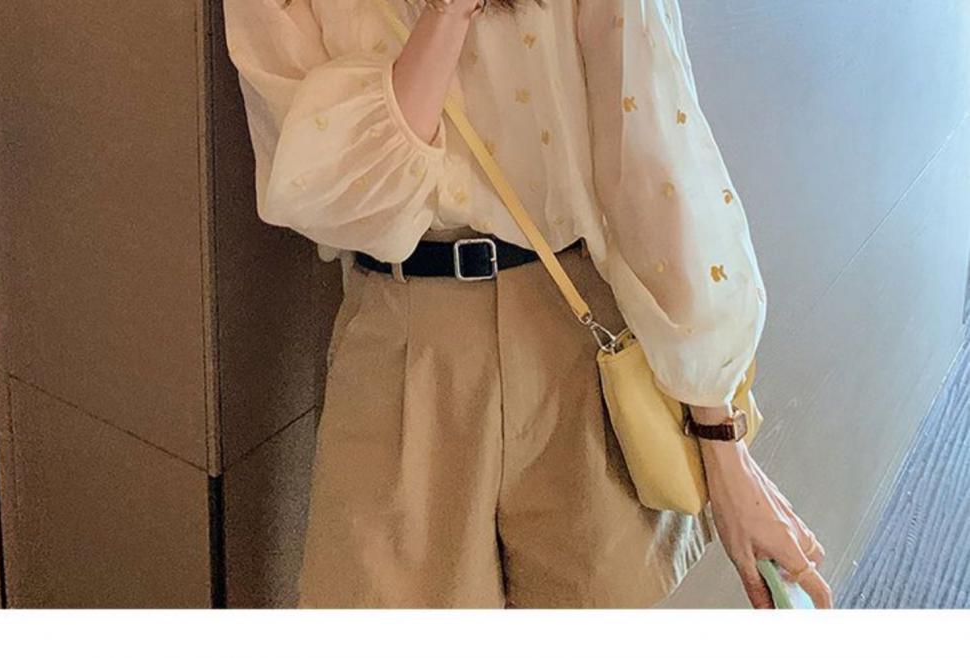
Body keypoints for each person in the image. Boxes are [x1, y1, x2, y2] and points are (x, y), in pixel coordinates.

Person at [223, 0, 833, 609]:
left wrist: (723, 445)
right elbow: (326, 196)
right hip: (401, 341)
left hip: (572, 334)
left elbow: (652, 159)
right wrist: (447, 17)